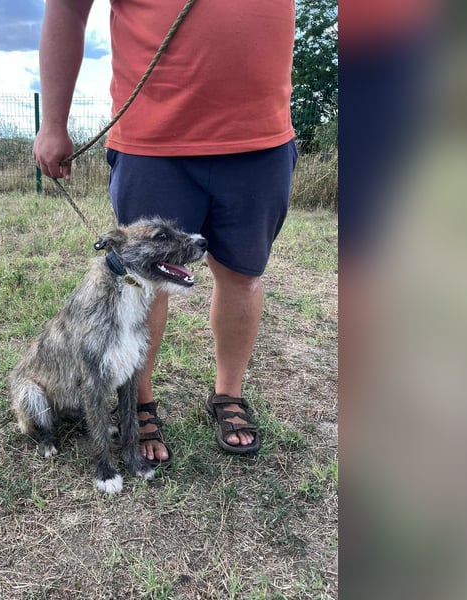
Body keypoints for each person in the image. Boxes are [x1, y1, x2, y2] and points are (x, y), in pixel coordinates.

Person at [33, 0, 297, 465]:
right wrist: (53, 122)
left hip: (260, 141)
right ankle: (139, 401)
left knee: (243, 275)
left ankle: (228, 396)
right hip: (153, 142)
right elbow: (68, 9)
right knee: (143, 280)